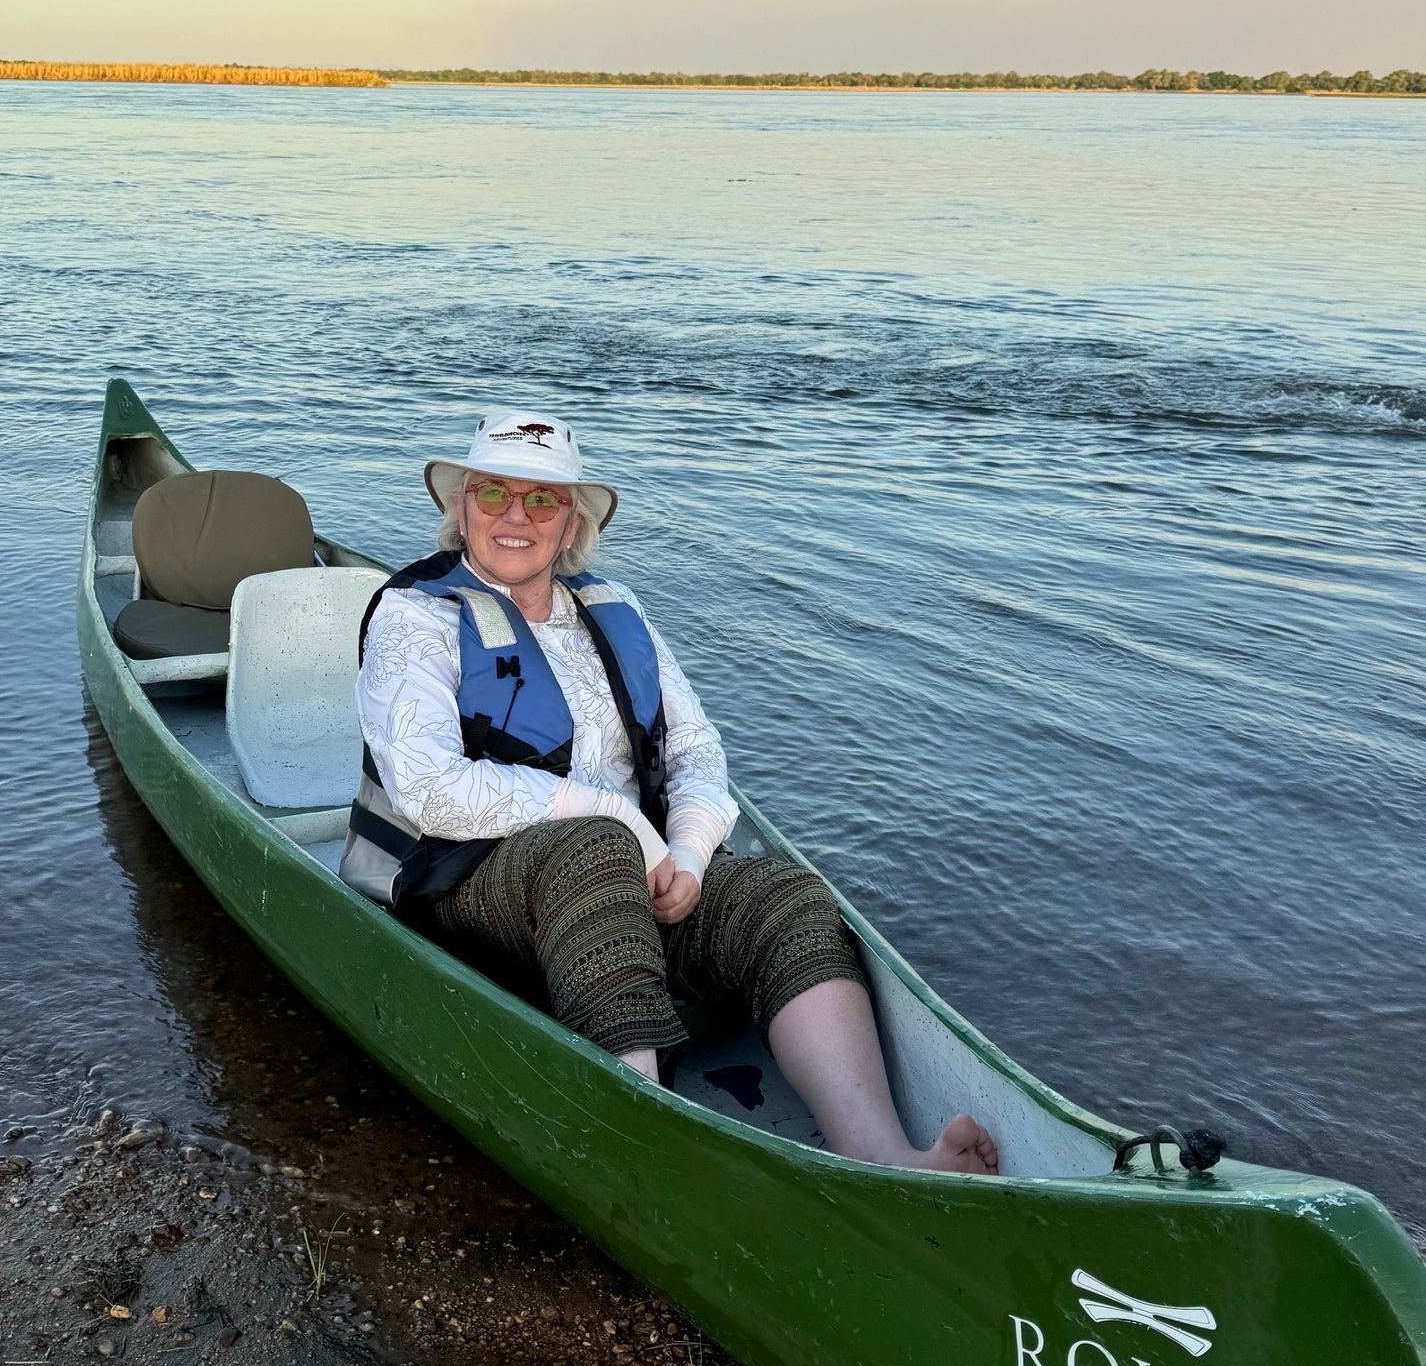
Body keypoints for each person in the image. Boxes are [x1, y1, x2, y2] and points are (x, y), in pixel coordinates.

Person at [342, 408, 998, 1175]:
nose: (514, 517)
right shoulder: (415, 615)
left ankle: (884, 1154)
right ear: (461, 509)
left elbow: (694, 746)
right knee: (594, 853)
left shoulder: (613, 606)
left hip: (627, 872)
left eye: (542, 500)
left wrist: (686, 851)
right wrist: (616, 814)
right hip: (461, 879)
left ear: (573, 519)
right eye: (492, 496)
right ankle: (650, 1148)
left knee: (789, 897)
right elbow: (427, 790)